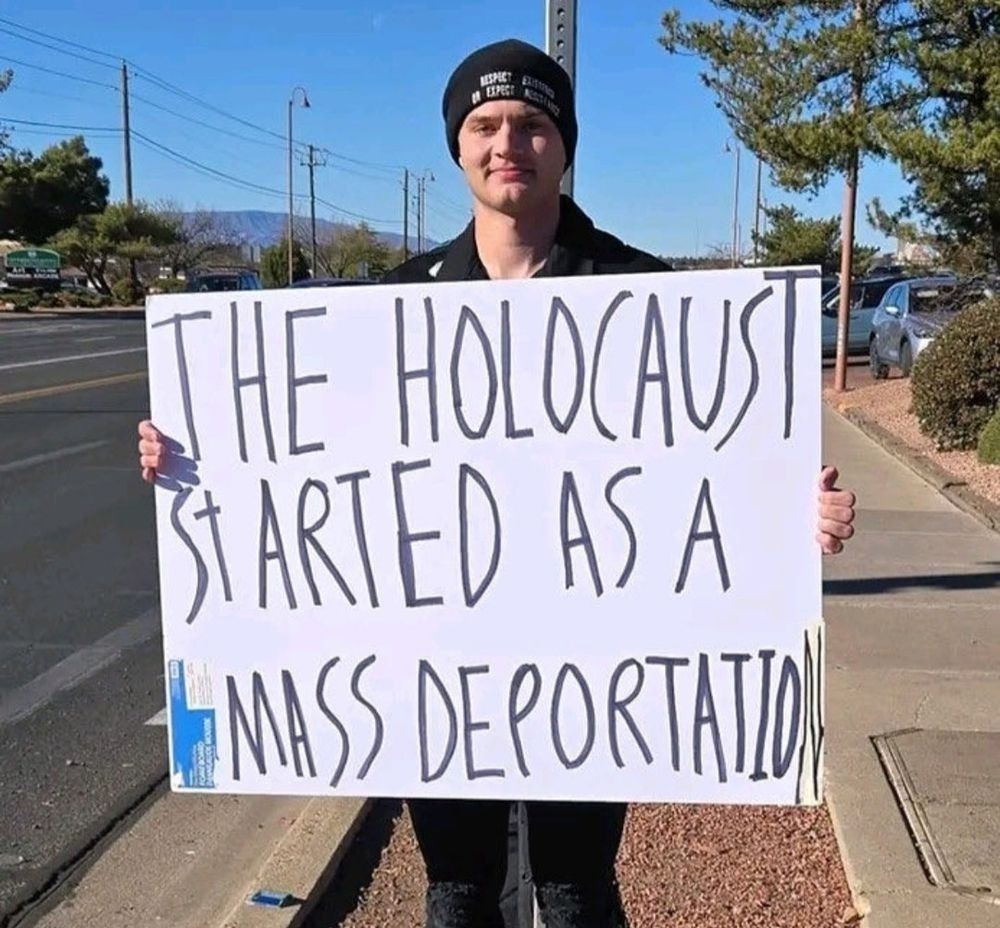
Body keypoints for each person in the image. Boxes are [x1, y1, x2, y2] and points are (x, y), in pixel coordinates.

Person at [138, 38, 857, 928]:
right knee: (458, 888)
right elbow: (304, 466)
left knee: (574, 887)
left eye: (531, 123)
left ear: (565, 143)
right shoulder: (396, 305)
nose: (506, 141)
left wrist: (796, 514)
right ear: (458, 145)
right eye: (485, 124)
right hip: (441, 660)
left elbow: (719, 467)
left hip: (594, 663)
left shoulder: (643, 293)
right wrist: (194, 455)